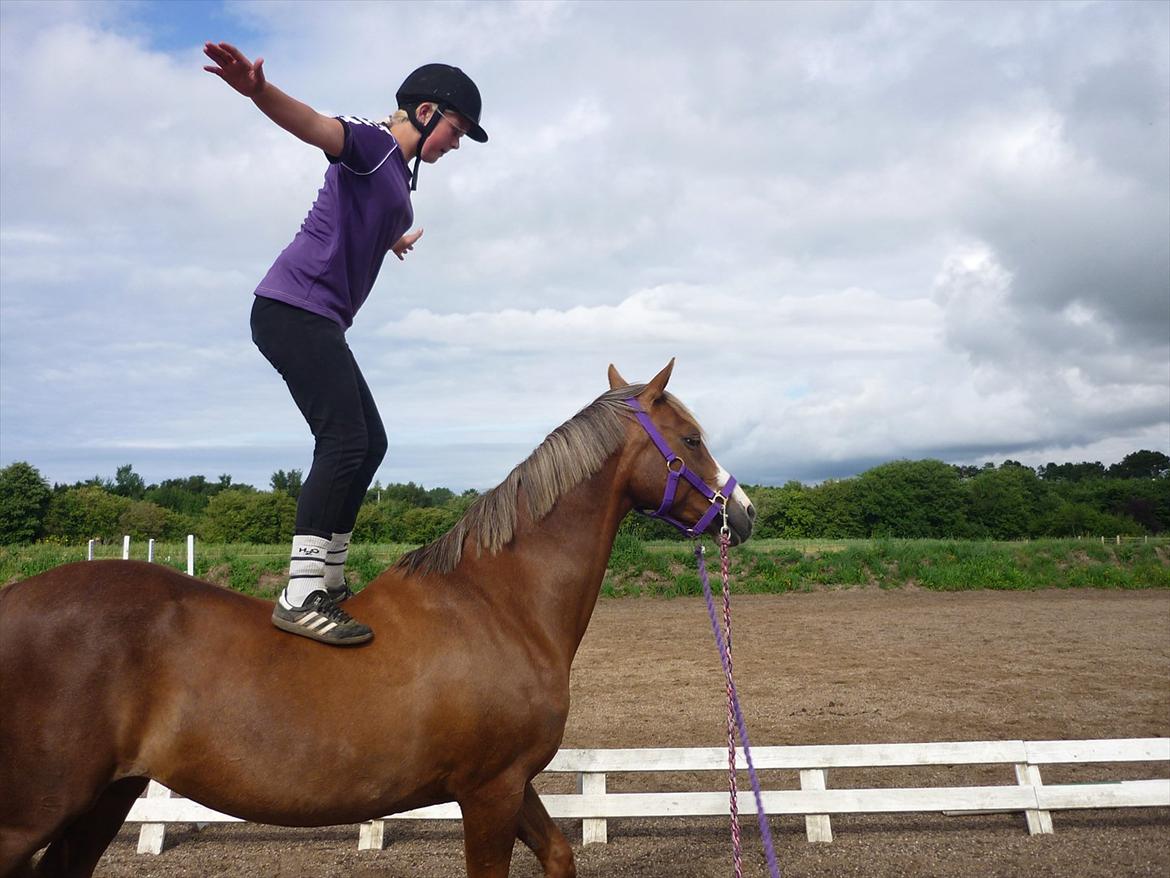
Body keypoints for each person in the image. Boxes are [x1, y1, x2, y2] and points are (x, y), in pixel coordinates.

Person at [203, 42, 488, 646]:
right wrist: (258, 91)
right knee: (343, 438)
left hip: (317, 318)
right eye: (457, 131)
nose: (456, 145)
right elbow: (313, 126)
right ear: (428, 111)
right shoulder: (373, 141)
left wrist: (390, 241)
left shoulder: (394, 174)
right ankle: (300, 592)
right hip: (291, 308)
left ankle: (328, 579)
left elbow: (361, 211)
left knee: (371, 442)